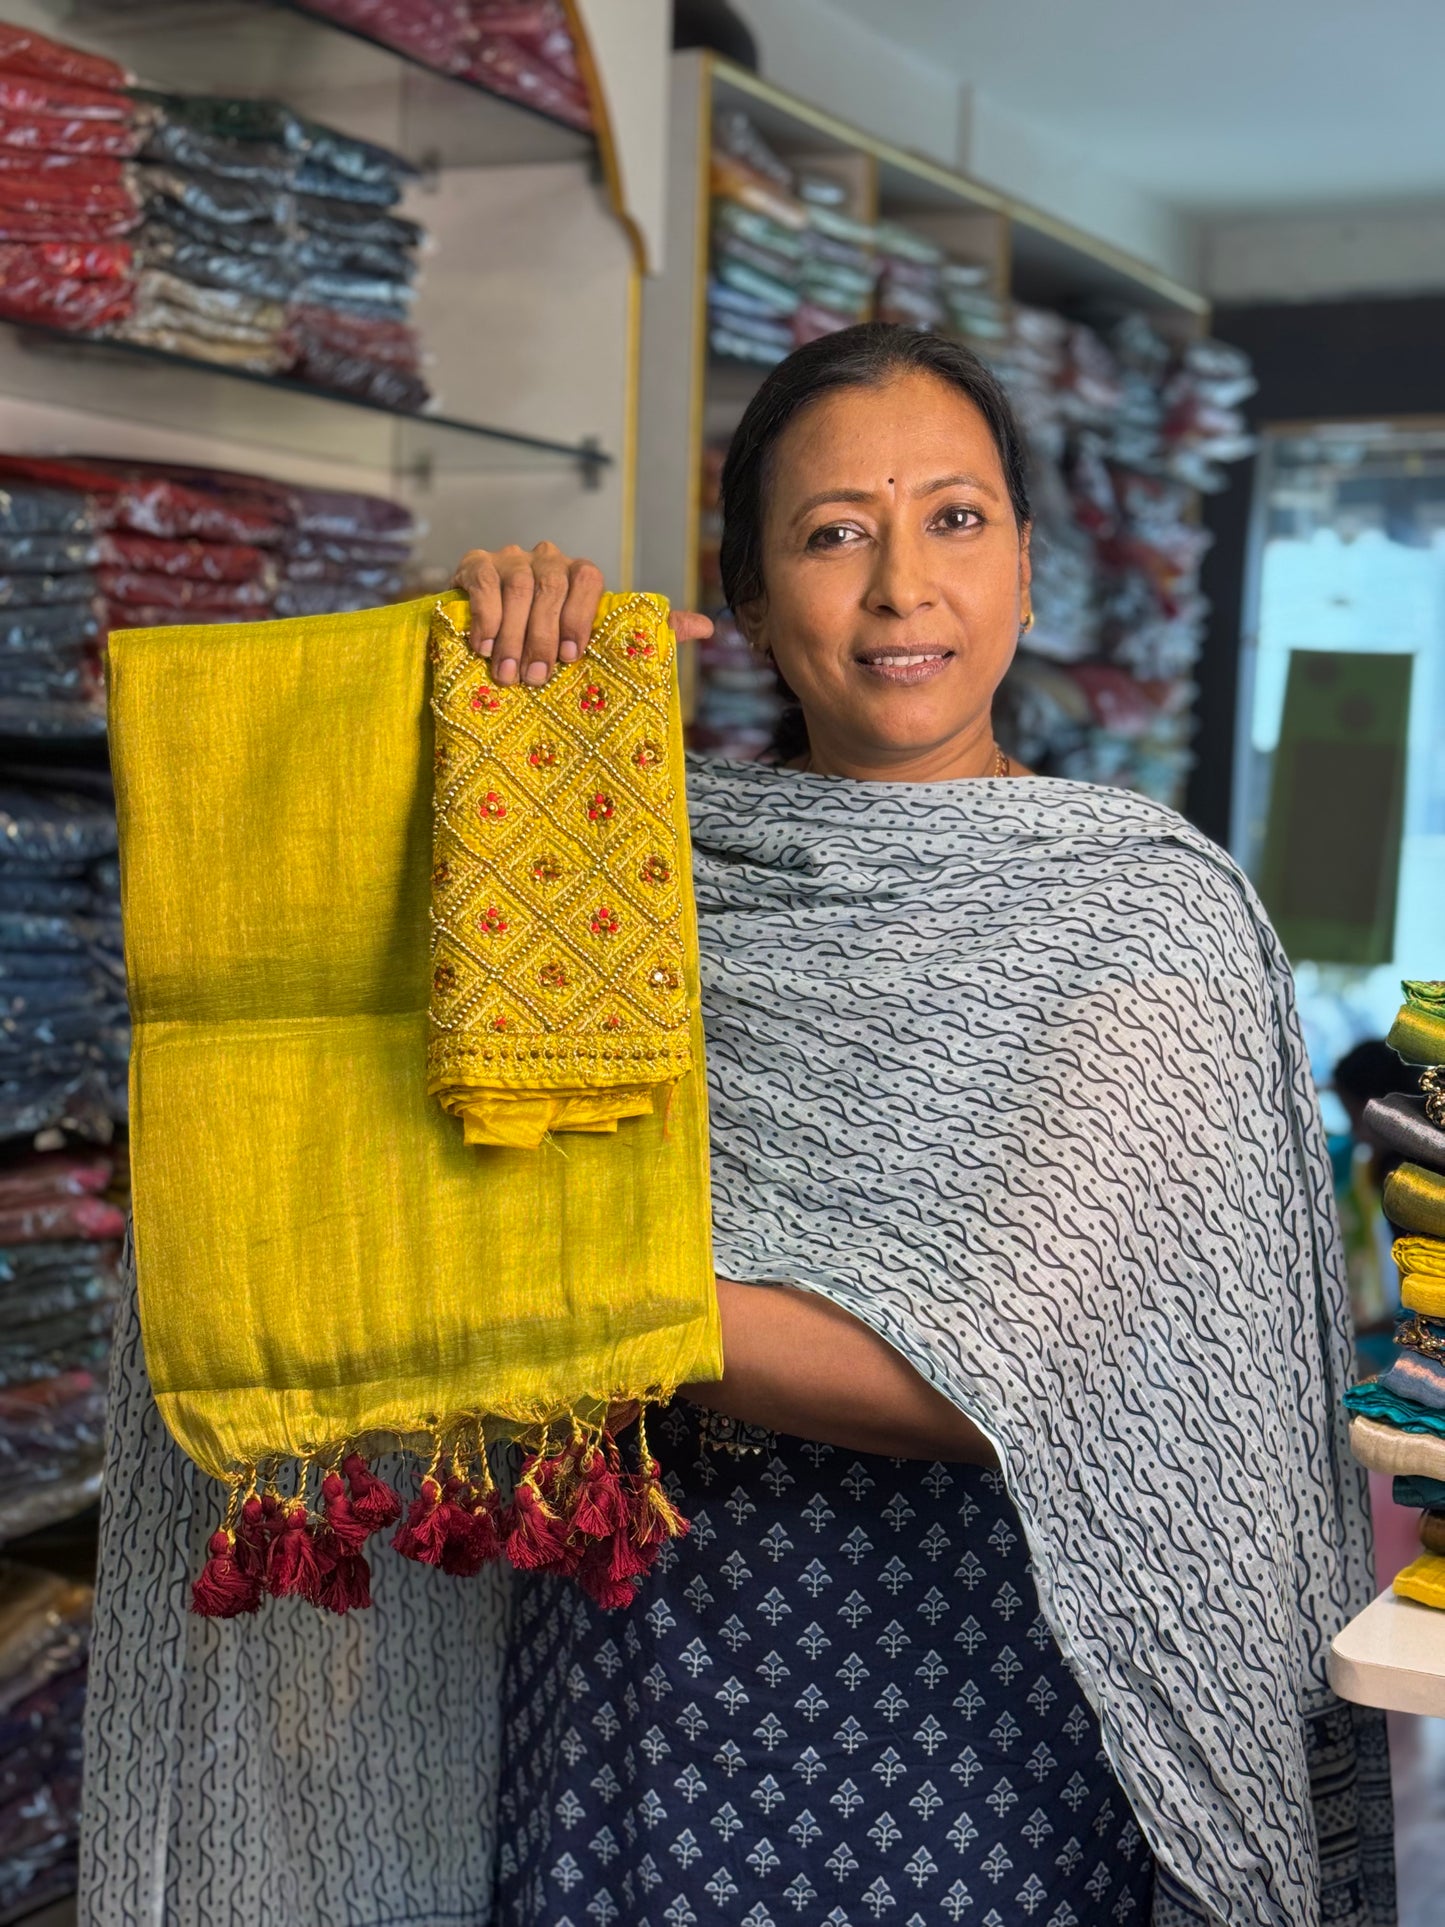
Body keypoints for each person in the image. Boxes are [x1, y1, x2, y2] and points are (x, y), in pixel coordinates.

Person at [81, 327, 1391, 1927]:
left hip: (986, 1715)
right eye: (833, 533)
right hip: (635, 1675)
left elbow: (998, 1381)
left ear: (1026, 570)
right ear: (753, 602)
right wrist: (470, 685)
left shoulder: (1141, 919)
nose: (902, 587)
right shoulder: (626, 866)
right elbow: (327, 988)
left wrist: (561, 1286)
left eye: (955, 518)